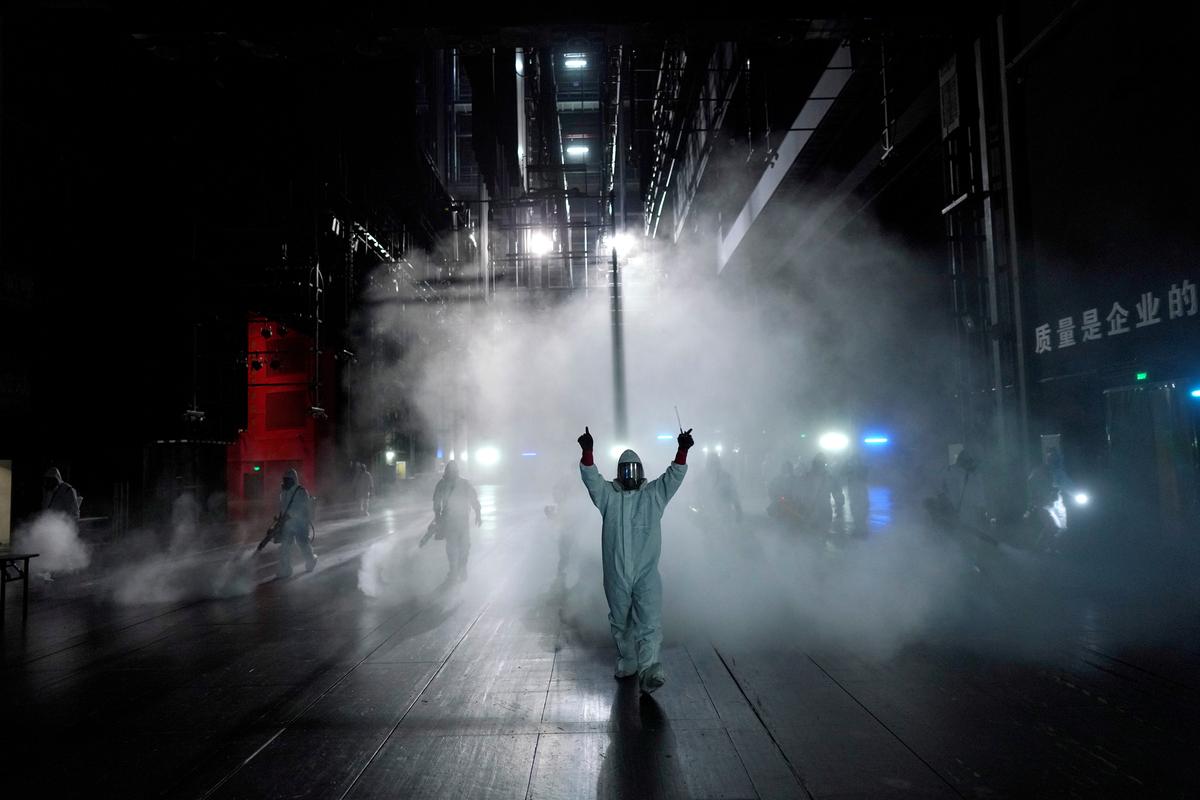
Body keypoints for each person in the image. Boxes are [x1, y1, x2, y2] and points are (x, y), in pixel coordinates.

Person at [578, 425, 692, 695]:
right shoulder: (608, 496)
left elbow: (673, 477)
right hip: (616, 573)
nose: (630, 475)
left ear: (641, 471)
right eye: (625, 470)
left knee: (649, 620)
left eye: (634, 469)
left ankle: (649, 669)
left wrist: (683, 450)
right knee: (620, 620)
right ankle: (628, 660)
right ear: (619, 473)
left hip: (646, 572)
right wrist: (587, 452)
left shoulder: (653, 495)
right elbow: (591, 479)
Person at [432, 460, 482, 583]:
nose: (452, 473)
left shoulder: (462, 484)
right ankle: (455, 569)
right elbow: (437, 503)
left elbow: (473, 499)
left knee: (463, 546)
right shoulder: (444, 485)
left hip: (461, 520)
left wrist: (478, 514)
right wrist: (438, 518)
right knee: (454, 547)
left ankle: (460, 568)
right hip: (451, 521)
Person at [277, 468, 317, 578]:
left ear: (294, 479)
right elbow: (282, 507)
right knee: (285, 546)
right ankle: (286, 569)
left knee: (303, 544)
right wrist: (280, 519)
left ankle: (311, 560)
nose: (285, 482)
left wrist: (290, 515)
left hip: (300, 524)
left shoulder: (301, 491)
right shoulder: (284, 492)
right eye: (285, 479)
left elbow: (302, 508)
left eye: (288, 480)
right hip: (288, 524)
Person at [703, 452, 743, 524]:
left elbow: (734, 493)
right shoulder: (702, 478)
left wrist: (738, 509)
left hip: (724, 513)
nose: (713, 466)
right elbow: (698, 495)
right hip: (708, 515)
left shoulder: (726, 477)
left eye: (714, 463)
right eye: (711, 463)